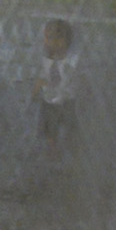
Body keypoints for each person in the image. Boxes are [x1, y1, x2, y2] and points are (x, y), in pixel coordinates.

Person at [36, 16, 80, 151]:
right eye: (48, 38)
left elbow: (76, 79)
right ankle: (52, 147)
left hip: (67, 99)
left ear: (67, 41)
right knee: (50, 126)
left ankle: (71, 145)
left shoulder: (71, 61)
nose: (52, 42)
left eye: (58, 38)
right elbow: (41, 76)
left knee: (69, 125)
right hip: (49, 100)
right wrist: (38, 86)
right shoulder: (45, 59)